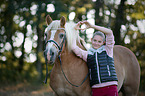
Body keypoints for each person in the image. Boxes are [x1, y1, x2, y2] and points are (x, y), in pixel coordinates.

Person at [72, 21, 118, 96]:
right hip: (96, 88)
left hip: (111, 87)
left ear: (103, 42)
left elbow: (109, 32)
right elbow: (74, 47)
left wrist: (92, 26)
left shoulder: (108, 50)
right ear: (91, 40)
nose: (96, 43)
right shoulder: (87, 54)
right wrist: (74, 30)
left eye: (99, 42)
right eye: (95, 40)